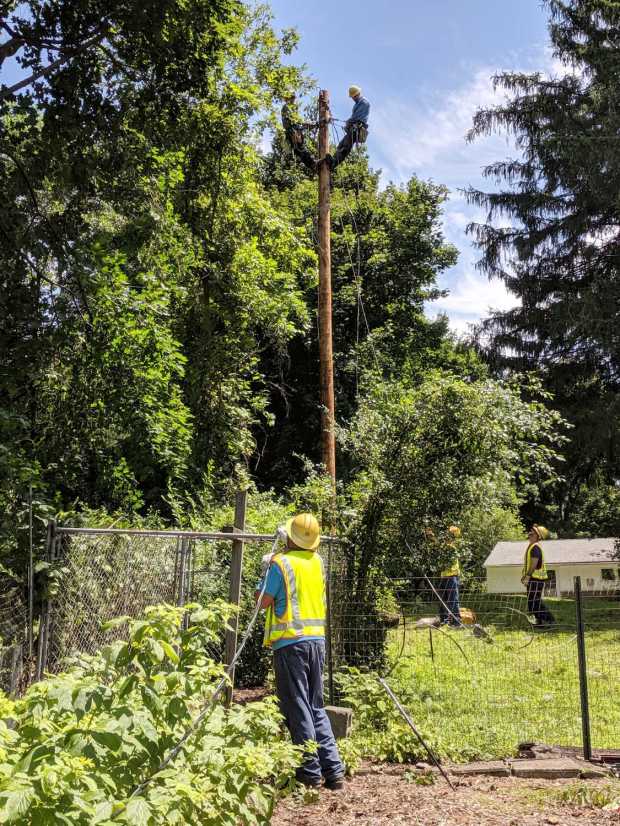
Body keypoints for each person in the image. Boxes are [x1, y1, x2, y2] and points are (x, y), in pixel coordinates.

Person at [256, 513, 345, 790]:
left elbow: (263, 602)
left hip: (290, 643)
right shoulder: (317, 562)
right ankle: (334, 771)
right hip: (316, 641)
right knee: (315, 705)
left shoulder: (280, 564)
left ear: (289, 537)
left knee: (297, 706)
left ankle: (308, 773)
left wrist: (266, 570)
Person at [521, 525, 555, 627]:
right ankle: (539, 623)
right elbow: (529, 565)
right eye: (530, 532)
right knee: (533, 603)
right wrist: (525, 576)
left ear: (537, 536)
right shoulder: (533, 546)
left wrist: (527, 576)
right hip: (535, 579)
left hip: (536, 579)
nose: (529, 534)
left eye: (532, 533)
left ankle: (550, 620)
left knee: (534, 603)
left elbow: (534, 563)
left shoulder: (535, 547)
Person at [329, 85, 370, 169]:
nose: (353, 98)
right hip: (353, 128)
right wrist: (348, 125)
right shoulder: (357, 104)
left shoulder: (364, 103)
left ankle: (333, 164)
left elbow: (357, 117)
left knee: (345, 147)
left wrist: (348, 122)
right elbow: (354, 117)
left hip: (357, 128)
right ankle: (333, 160)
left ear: (358, 94)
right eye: (352, 97)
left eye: (354, 96)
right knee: (341, 145)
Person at [281, 93, 316, 173]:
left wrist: (309, 125)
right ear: (288, 98)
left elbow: (297, 122)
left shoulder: (291, 107)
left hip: (294, 131)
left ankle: (312, 165)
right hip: (293, 132)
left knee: (299, 151)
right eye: (292, 98)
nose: (294, 100)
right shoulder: (287, 108)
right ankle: (313, 163)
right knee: (300, 150)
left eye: (293, 98)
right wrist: (297, 132)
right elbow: (294, 122)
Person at [437, 525, 462, 627]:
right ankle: (444, 620)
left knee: (453, 599)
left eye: (449, 535)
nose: (446, 537)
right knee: (443, 599)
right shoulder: (443, 547)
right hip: (444, 576)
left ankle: (456, 622)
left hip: (452, 576)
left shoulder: (451, 548)